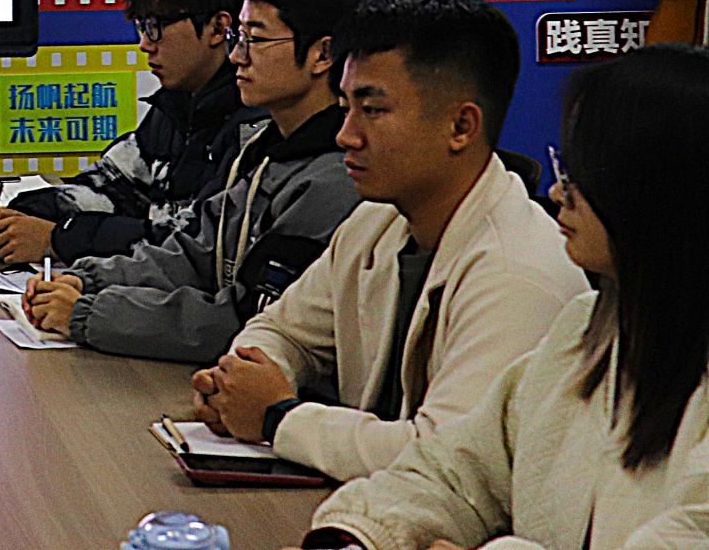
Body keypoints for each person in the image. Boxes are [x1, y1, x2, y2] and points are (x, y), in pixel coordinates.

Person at [287, 45, 709, 550]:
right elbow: (452, 473)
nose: (559, 192)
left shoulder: (523, 269)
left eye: (582, 174)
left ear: (662, 191)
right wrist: (359, 536)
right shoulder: (583, 333)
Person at [191, 0, 587, 481]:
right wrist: (241, 381)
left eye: (372, 111)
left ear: (461, 126)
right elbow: (282, 330)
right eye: (345, 107)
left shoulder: (518, 273)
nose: (345, 135)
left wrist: (275, 417)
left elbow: (445, 460)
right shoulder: (375, 222)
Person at [20, 0, 376, 363]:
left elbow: (251, 320)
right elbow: (194, 252)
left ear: (323, 54)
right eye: (238, 39)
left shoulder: (334, 177)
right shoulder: (267, 152)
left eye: (256, 40)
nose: (238, 56)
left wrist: (90, 312)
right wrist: (87, 281)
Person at [0, 0, 261, 267]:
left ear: (219, 27)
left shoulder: (254, 127)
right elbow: (114, 185)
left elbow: (194, 245)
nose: (144, 44)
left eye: (155, 28)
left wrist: (59, 238)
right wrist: (28, 214)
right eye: (141, 27)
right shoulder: (176, 106)